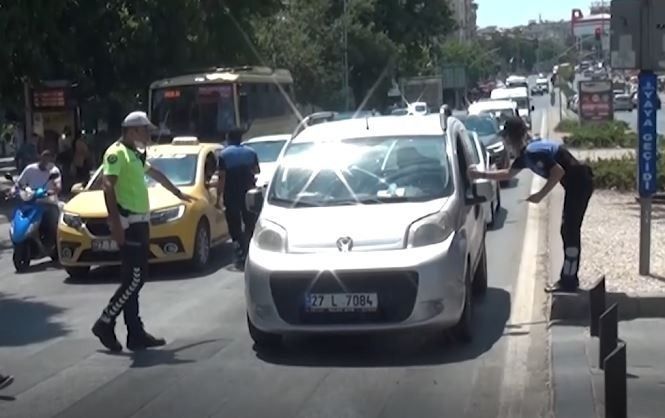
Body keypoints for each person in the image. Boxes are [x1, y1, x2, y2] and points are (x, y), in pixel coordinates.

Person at [92, 111, 194, 352]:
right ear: (132, 130)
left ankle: (135, 334)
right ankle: (105, 322)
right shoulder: (116, 153)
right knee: (136, 280)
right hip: (129, 225)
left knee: (133, 281)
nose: (149, 135)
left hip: (140, 224)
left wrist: (178, 193)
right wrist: (115, 224)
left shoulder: (134, 154)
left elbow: (155, 174)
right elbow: (107, 187)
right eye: (145, 130)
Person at [468, 116, 594, 293]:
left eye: (505, 138)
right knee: (567, 231)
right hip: (575, 184)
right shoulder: (526, 154)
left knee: (570, 231)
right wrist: (481, 175)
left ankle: (569, 281)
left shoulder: (532, 152)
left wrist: (540, 195)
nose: (505, 143)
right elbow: (507, 174)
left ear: (511, 138)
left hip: (580, 183)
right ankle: (569, 279)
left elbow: (558, 172)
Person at [216, 130, 260, 270]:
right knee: (250, 223)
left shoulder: (224, 154)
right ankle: (252, 250)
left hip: (231, 194)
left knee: (234, 225)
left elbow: (221, 178)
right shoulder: (250, 152)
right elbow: (257, 170)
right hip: (248, 193)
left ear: (228, 138)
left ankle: (240, 254)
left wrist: (218, 196)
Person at [14, 150, 62, 247]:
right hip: (32, 201)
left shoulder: (54, 171)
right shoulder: (30, 169)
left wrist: (52, 191)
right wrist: (13, 190)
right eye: (44, 158)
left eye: (49, 159)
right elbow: (19, 183)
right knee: (20, 215)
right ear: (40, 157)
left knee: (52, 223)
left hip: (49, 203)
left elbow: (58, 185)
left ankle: (51, 244)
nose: (46, 162)